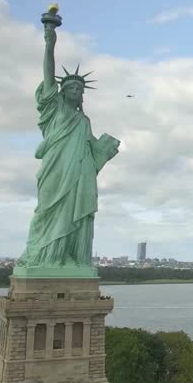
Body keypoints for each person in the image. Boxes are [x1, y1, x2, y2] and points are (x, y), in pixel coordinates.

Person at [17, 23, 118, 269]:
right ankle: (43, 257)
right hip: (56, 168)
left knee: (76, 213)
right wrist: (50, 43)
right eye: (70, 87)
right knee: (48, 210)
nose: (74, 90)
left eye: (78, 89)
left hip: (81, 173)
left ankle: (68, 257)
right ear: (62, 91)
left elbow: (92, 150)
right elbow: (48, 75)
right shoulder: (54, 109)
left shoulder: (84, 120)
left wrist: (106, 148)